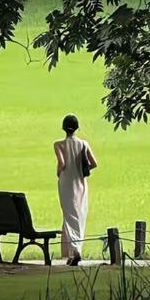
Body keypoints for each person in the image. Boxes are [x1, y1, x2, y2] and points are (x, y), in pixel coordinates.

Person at [54, 113, 97, 266]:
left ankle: (74, 250)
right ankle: (75, 250)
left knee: (68, 215)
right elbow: (94, 163)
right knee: (79, 216)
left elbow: (62, 163)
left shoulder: (58, 144)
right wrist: (83, 168)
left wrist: (58, 173)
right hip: (80, 183)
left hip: (66, 183)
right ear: (77, 128)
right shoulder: (83, 144)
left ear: (64, 128)